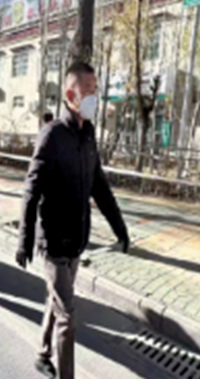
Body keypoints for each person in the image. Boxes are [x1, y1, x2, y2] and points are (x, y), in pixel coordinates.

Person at [16, 62, 130, 379]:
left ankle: (42, 353)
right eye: (88, 90)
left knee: (57, 302)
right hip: (53, 242)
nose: (94, 96)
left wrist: (120, 228)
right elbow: (31, 190)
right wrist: (25, 239)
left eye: (96, 89)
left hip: (76, 239)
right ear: (70, 95)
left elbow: (100, 186)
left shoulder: (88, 134)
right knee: (67, 313)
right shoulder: (52, 136)